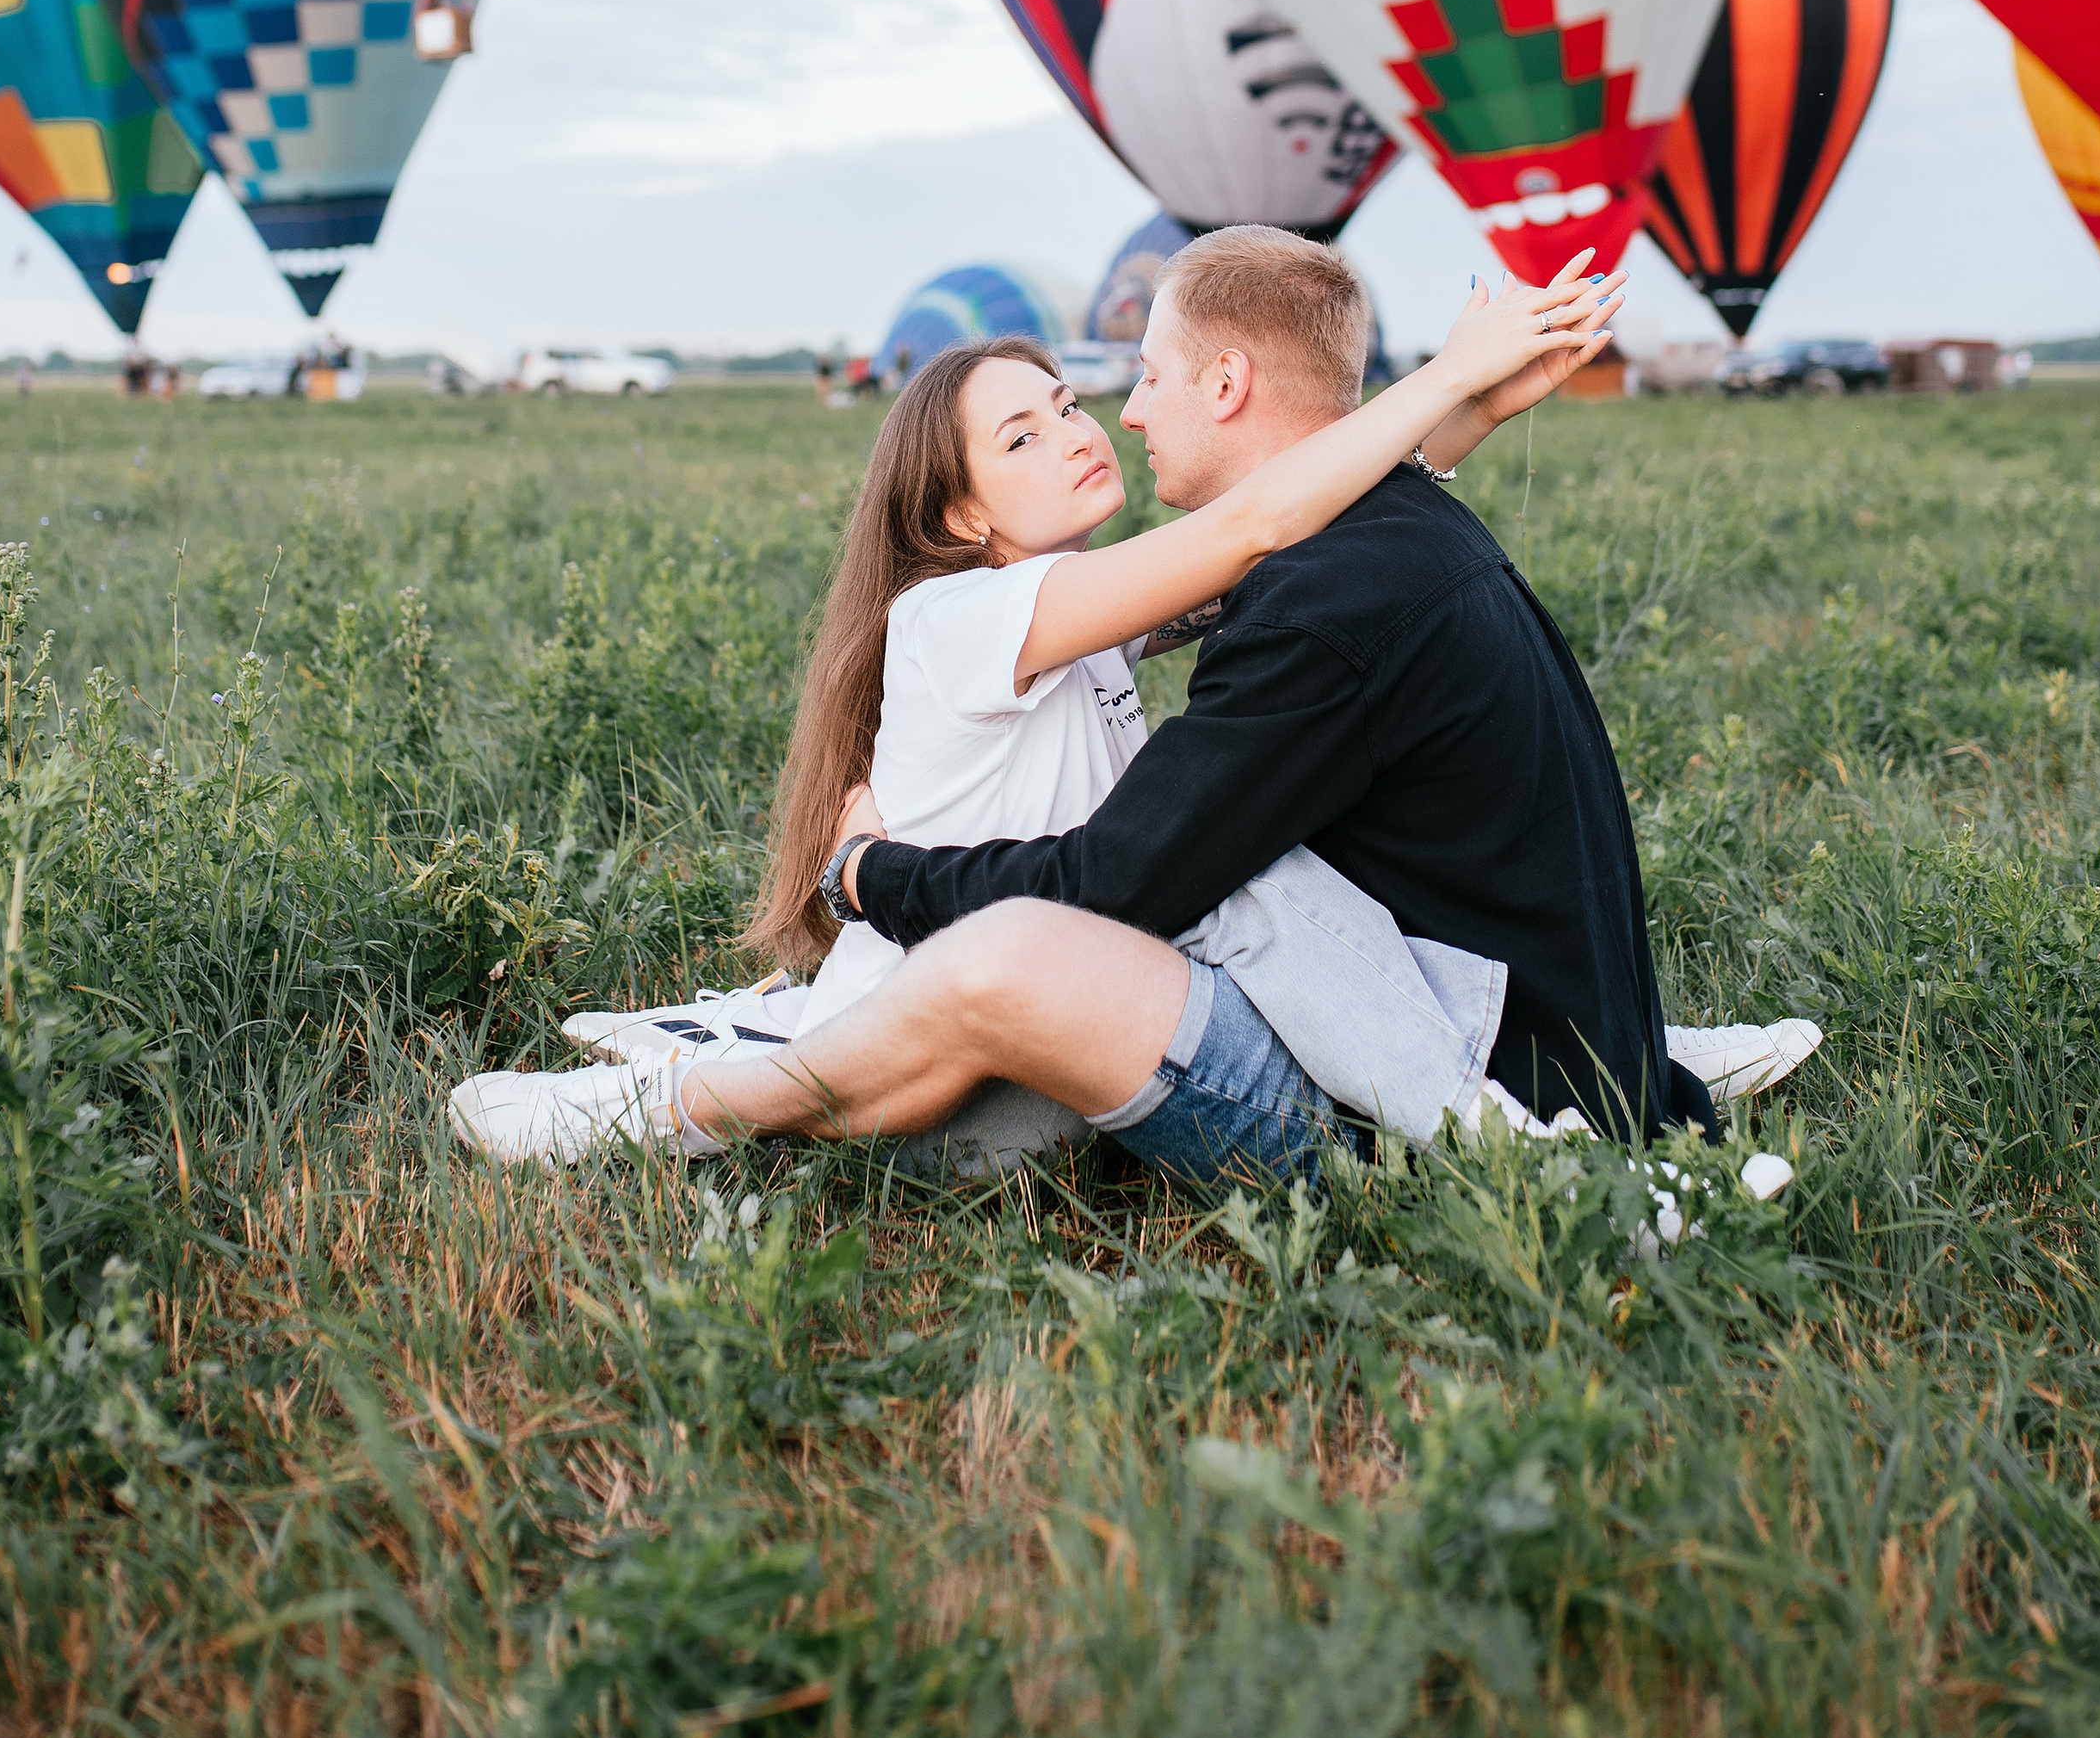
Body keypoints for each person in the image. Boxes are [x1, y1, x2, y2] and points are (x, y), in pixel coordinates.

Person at [452, 237, 1812, 1175]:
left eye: (1102, 393)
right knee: (1020, 971)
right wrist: (1443, 387)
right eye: (1027, 433)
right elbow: (1260, 527)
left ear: (1223, 382)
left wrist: (1457, 415)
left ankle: (1599, 1057)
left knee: (1141, 924)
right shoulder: (975, 614)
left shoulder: (1150, 607)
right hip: (948, 989)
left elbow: (1273, 533)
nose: (1111, 419)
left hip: (1048, 955)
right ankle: (661, 1102)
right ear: (961, 512)